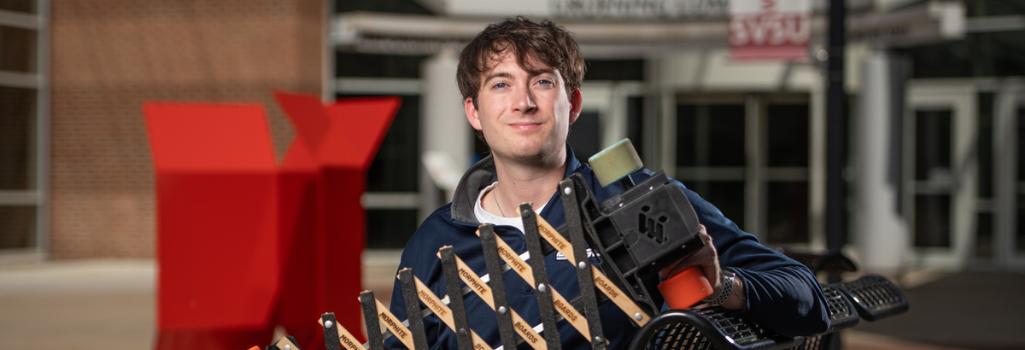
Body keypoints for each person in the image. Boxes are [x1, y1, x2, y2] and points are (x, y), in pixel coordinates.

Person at [386, 17, 830, 350]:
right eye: (501, 85)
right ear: (474, 113)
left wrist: (721, 287)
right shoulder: (436, 241)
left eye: (541, 82)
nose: (522, 102)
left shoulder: (636, 200)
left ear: (572, 103)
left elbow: (806, 297)